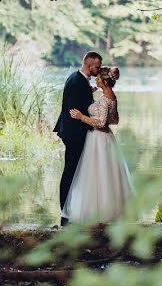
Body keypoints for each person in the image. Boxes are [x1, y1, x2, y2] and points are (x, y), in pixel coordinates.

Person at [62, 67, 132, 223]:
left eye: (98, 78)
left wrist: (81, 117)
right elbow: (114, 120)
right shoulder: (110, 97)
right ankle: (109, 211)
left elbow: (100, 122)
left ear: (104, 81)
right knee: (106, 175)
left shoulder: (104, 99)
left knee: (97, 174)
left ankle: (97, 213)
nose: (96, 79)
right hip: (107, 139)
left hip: (98, 139)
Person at [53, 51, 104, 226]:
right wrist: (93, 124)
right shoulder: (77, 82)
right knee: (70, 171)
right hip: (74, 133)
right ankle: (66, 212)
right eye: (97, 66)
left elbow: (80, 101)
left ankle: (70, 210)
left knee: (74, 171)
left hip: (73, 131)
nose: (99, 69)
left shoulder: (78, 79)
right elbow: (75, 110)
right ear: (89, 65)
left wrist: (90, 91)